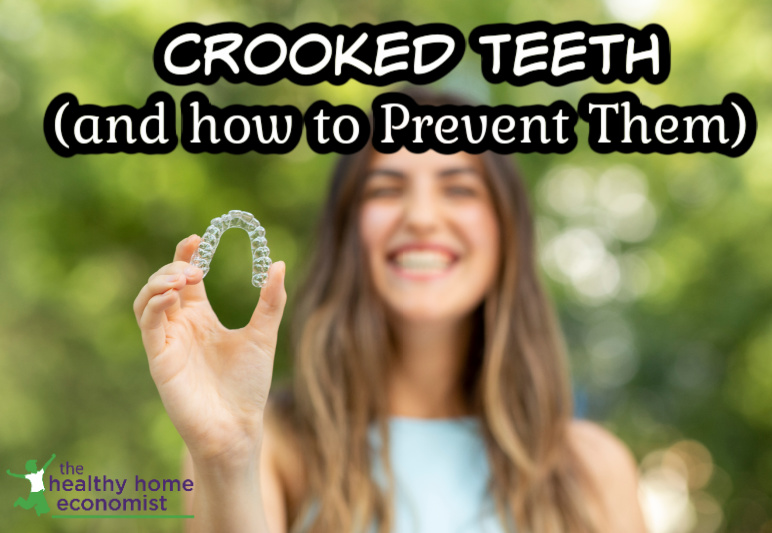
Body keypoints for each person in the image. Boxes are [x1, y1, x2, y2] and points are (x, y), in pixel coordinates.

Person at [134, 88, 647, 533]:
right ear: (348, 233)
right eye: (387, 188)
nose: (421, 217)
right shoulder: (267, 448)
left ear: (506, 231)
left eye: (458, 187)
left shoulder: (594, 469)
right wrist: (225, 458)